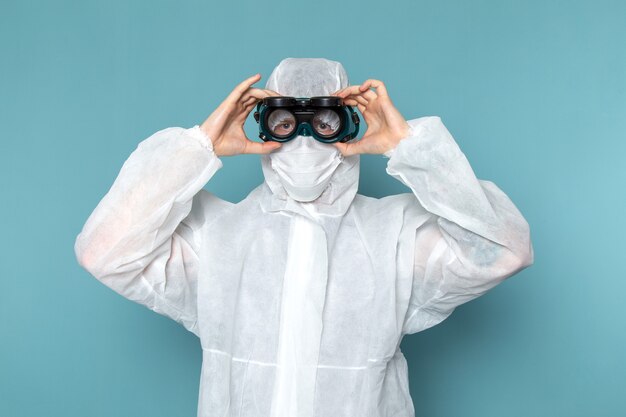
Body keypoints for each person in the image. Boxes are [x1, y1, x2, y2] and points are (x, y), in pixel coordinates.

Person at [74, 57, 534, 417]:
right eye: (285, 122)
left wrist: (408, 146)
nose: (306, 140)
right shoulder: (218, 236)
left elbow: (503, 250)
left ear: (350, 125)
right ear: (264, 125)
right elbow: (105, 251)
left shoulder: (394, 235)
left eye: (327, 122)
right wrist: (200, 146)